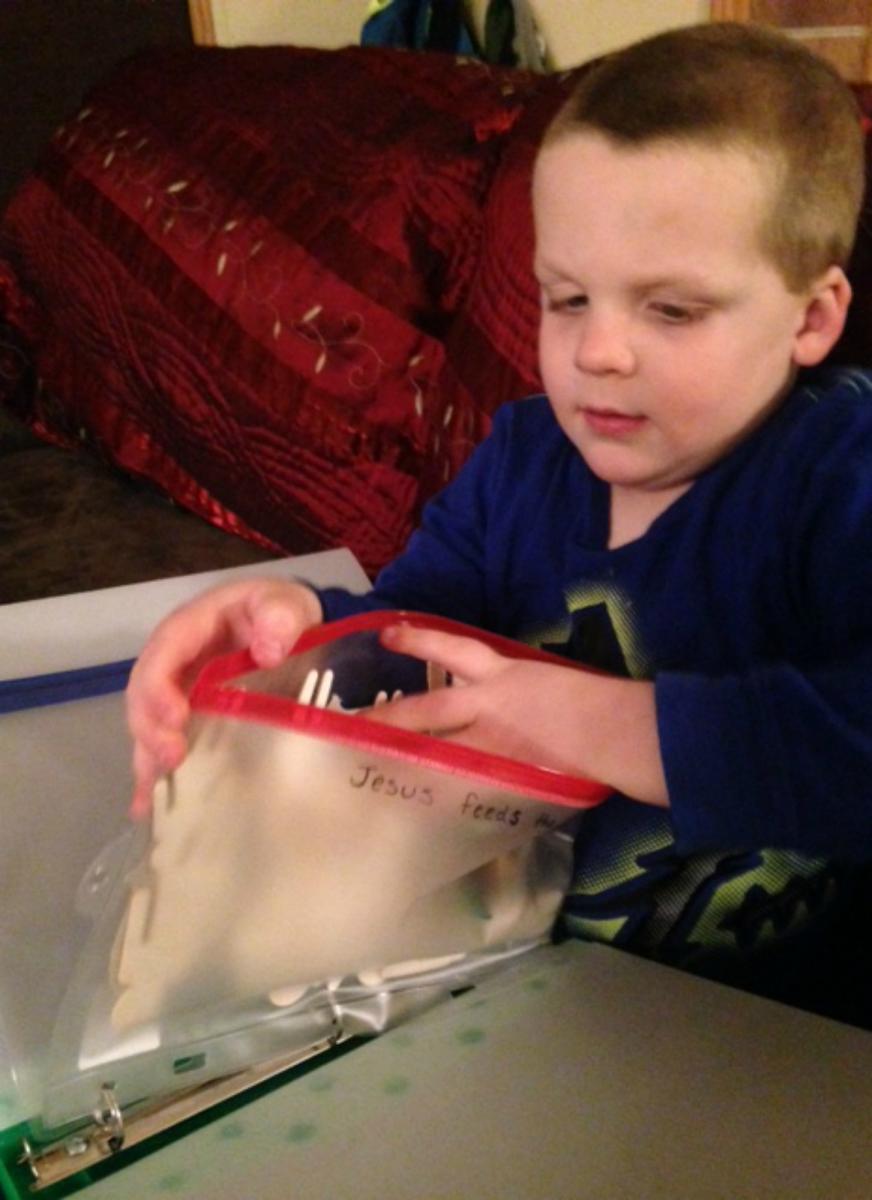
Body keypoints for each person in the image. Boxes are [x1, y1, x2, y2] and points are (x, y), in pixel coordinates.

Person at [127, 22, 872, 1017]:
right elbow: (414, 639)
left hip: (779, 1032)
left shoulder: (838, 471)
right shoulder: (521, 459)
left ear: (811, 319)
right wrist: (295, 626)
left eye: (671, 310)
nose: (596, 351)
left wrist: (614, 724)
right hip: (518, 995)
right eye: (565, 298)